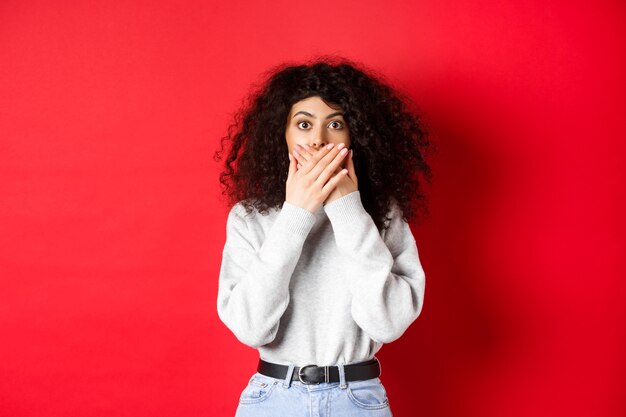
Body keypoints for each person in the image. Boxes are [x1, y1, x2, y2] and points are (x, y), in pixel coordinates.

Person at [214, 55, 433, 417]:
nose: (317, 140)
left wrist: (348, 210)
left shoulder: (383, 215)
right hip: (273, 399)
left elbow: (389, 324)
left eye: (335, 124)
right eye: (303, 124)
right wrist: (296, 215)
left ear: (354, 136)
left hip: (358, 399)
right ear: (282, 135)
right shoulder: (250, 218)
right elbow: (251, 329)